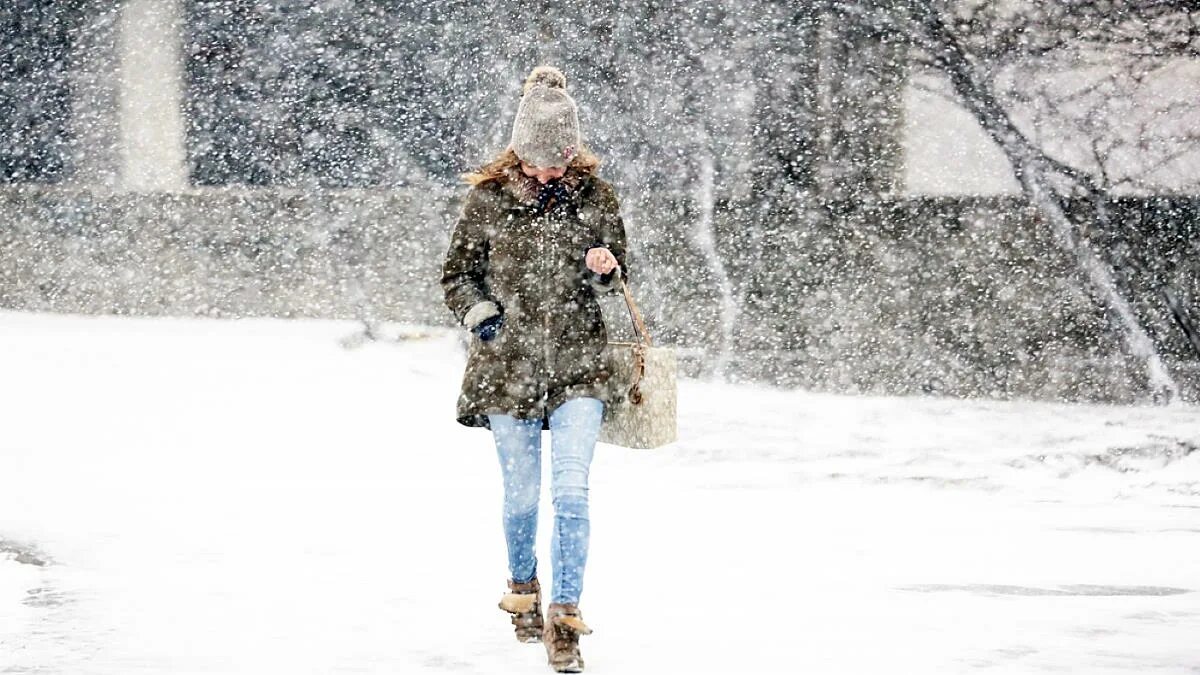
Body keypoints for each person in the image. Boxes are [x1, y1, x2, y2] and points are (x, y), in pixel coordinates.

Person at [440, 65, 629, 674]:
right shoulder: (487, 200)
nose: (548, 173)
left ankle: (566, 618)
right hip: (507, 365)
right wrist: (481, 314)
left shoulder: (595, 197)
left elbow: (617, 274)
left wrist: (605, 267)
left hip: (581, 363)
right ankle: (523, 589)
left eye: (559, 162)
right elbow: (456, 276)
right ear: (518, 154)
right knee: (522, 495)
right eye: (537, 163)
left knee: (571, 490)